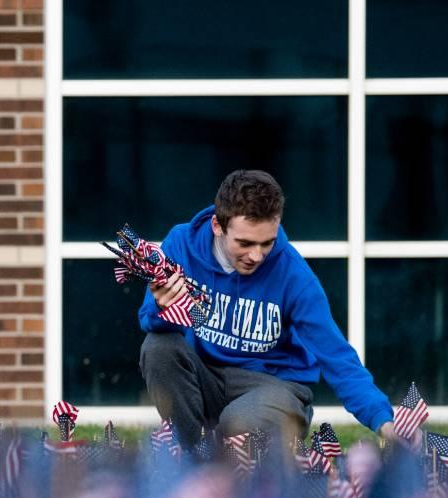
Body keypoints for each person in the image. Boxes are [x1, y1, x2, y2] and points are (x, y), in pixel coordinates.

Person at [138, 168, 392, 452]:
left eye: (267, 243)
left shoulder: (294, 275)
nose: (256, 256)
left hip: (273, 388)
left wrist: (383, 421)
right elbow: (151, 324)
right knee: (158, 347)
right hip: (206, 378)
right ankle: (188, 457)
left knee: (237, 425)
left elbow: (336, 356)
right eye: (245, 243)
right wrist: (162, 308)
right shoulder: (181, 245)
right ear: (217, 226)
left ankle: (229, 454)